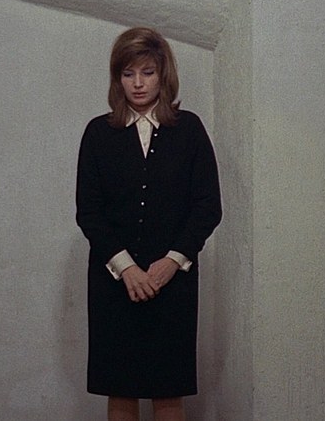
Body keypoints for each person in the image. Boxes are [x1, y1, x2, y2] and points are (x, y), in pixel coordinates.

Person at [76, 27, 222, 421]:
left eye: (147, 72)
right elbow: (89, 211)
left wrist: (171, 262)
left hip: (172, 282)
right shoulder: (98, 133)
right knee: (120, 388)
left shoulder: (188, 130)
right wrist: (127, 269)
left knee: (168, 389)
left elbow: (208, 206)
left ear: (163, 75)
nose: (138, 83)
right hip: (113, 283)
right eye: (128, 74)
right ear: (117, 79)